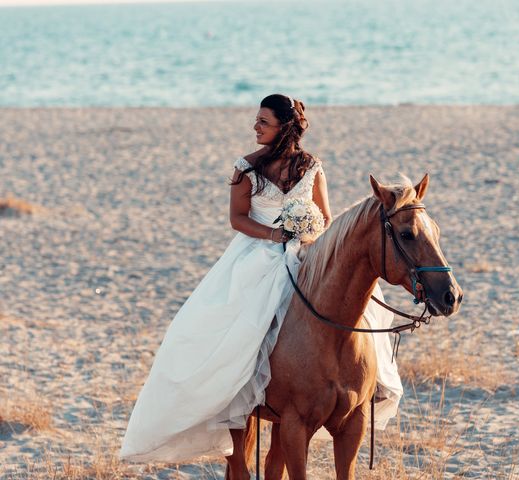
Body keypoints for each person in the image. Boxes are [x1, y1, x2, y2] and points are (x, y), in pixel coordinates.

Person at [119, 94, 403, 463]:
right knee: (236, 322)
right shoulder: (246, 169)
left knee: (356, 307)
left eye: (263, 122)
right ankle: (240, 391)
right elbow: (238, 219)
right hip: (257, 254)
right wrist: (275, 236)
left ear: (284, 127)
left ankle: (368, 383)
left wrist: (309, 237)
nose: (255, 127)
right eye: (256, 120)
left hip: (307, 250)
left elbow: (327, 218)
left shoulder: (313, 167)